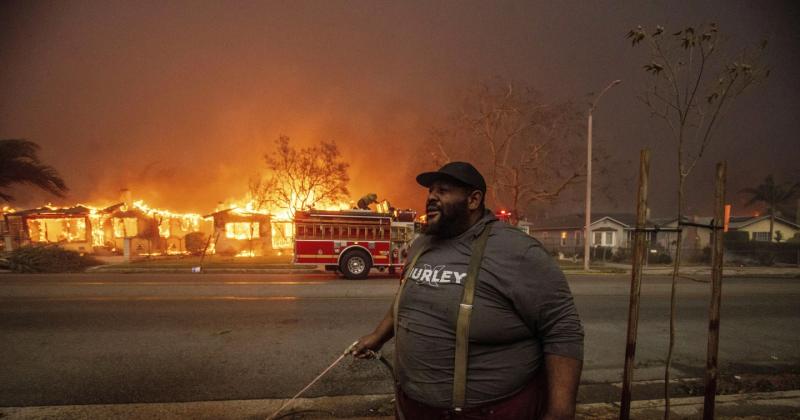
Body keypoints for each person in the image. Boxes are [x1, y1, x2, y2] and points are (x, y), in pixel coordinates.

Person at [352, 161, 584, 419]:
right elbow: (408, 299)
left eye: (443, 191)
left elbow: (562, 328)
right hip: (411, 409)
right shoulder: (422, 245)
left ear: (473, 200)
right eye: (430, 191)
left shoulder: (517, 251)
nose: (431, 197)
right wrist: (377, 336)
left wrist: (560, 411)